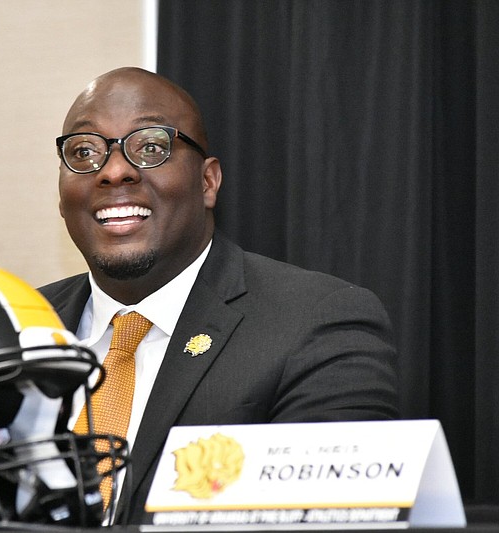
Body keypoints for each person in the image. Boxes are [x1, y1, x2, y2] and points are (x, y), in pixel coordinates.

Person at [39, 66, 399, 524]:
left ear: (207, 183)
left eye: (150, 147)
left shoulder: (319, 324)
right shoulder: (11, 330)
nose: (113, 171)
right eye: (84, 151)